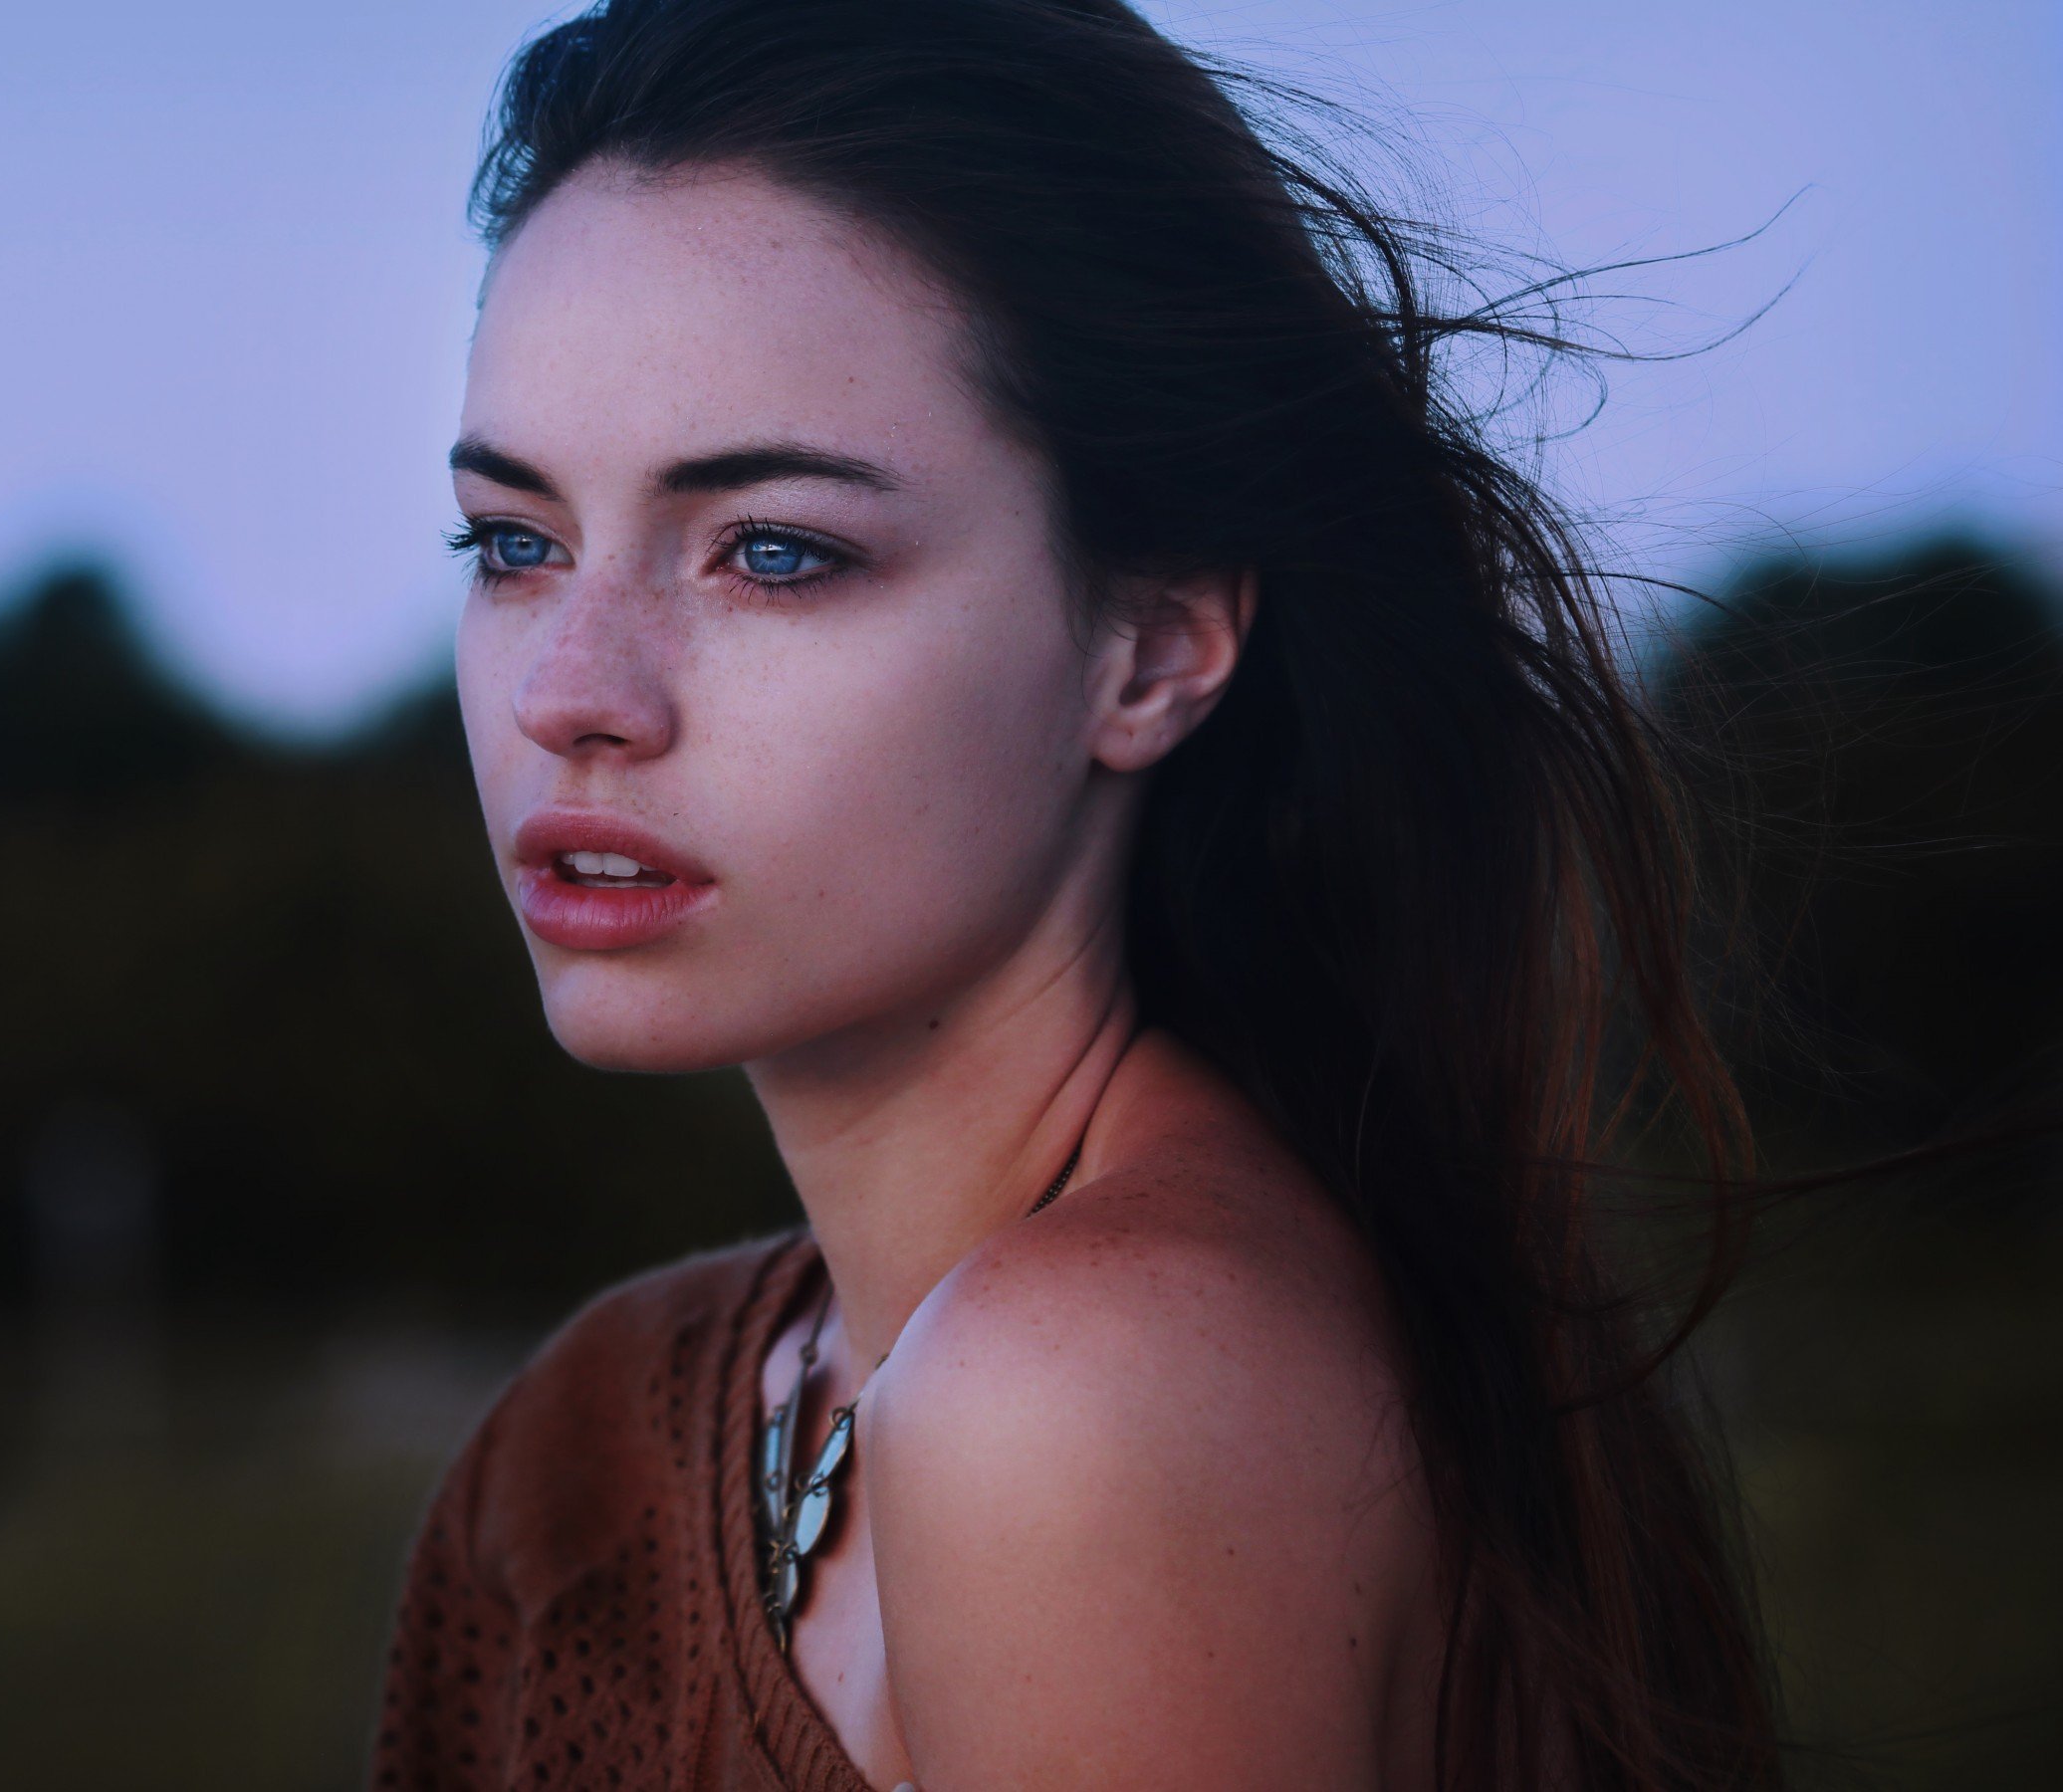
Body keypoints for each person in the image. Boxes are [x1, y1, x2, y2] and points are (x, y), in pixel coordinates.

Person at [373, 2, 1775, 1787]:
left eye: (775, 552)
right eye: (517, 543)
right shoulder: (592, 1442)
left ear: (1153, 649)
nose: (574, 690)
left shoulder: (1094, 1394)